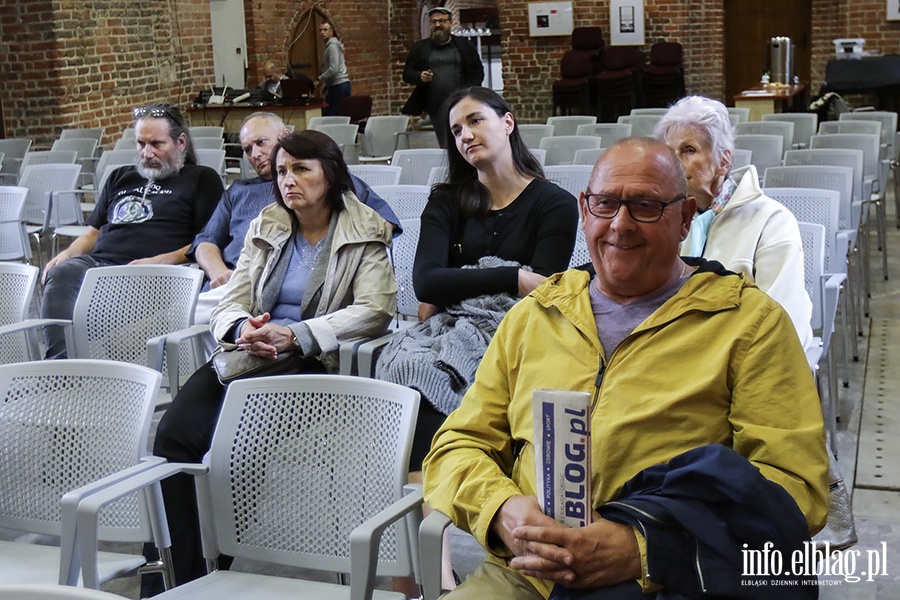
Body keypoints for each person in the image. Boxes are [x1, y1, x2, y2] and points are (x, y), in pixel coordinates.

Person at [423, 137, 830, 599]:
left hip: (666, 580)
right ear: (584, 210)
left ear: (684, 219)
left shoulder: (747, 324)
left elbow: (796, 489)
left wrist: (645, 547)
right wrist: (502, 509)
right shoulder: (536, 315)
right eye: (606, 204)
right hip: (528, 577)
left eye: (645, 206)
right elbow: (457, 446)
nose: (620, 224)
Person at [142, 129, 397, 596]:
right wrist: (242, 329)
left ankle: (220, 563)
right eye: (281, 171)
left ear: (331, 173)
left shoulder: (365, 229)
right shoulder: (268, 224)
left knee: (235, 451)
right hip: (248, 355)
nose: (287, 180)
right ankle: (180, 574)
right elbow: (230, 300)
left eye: (301, 169)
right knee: (171, 439)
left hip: (311, 362)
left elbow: (376, 308)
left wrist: (296, 334)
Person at [375, 85, 577, 594]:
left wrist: (465, 280)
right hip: (450, 332)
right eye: (456, 130)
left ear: (507, 123)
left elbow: (545, 289)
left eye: (475, 121)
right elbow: (425, 283)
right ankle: (433, 573)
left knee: (431, 397)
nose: (465, 135)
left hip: (520, 334)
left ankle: (420, 572)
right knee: (415, 385)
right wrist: (511, 276)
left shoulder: (554, 203)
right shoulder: (447, 199)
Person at [40, 103, 223, 359]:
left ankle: (109, 358)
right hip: (101, 263)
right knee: (61, 272)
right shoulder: (120, 176)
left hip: (153, 271)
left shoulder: (201, 179)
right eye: (140, 144)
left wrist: (161, 260)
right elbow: (93, 234)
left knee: (100, 309)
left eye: (157, 144)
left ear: (181, 142)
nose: (147, 153)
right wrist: (67, 253)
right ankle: (59, 368)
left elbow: (208, 240)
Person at [189, 111, 401, 322]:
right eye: (247, 149)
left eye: (261, 143)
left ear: (285, 136)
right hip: (237, 285)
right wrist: (219, 272)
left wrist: (328, 254)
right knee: (181, 317)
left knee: (184, 318)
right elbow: (206, 240)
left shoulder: (331, 181)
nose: (255, 154)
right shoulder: (238, 191)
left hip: (300, 288)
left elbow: (381, 223)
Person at [654, 95, 814, 353]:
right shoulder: (662, 219)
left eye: (688, 150)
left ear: (724, 161)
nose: (673, 163)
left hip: (740, 362)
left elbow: (782, 323)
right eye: (669, 153)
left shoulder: (771, 222)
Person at [402, 7, 484, 147]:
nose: (438, 25)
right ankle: (452, 168)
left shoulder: (464, 46)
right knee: (446, 143)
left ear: (450, 23)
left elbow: (478, 70)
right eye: (434, 22)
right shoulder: (420, 48)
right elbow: (407, 73)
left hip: (462, 102)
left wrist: (471, 89)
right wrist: (419, 76)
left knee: (465, 138)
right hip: (436, 105)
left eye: (442, 21)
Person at [316, 20, 351, 116]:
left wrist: (320, 79)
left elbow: (334, 69)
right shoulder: (330, 46)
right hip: (340, 85)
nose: (322, 32)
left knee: (331, 116)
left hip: (339, 86)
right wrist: (326, 86)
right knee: (339, 115)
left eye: (325, 30)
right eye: (320, 30)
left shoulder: (332, 47)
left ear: (331, 32)